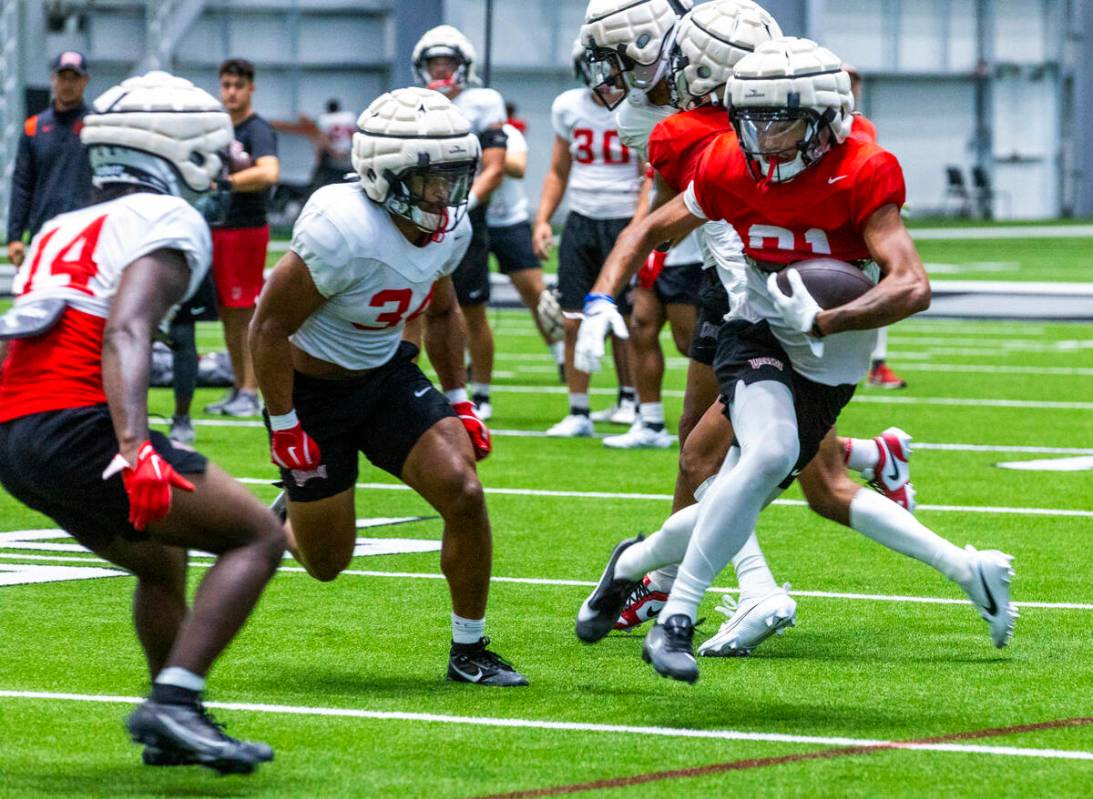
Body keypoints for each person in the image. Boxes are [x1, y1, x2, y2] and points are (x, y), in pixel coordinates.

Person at [575, 39, 1016, 683]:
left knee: (742, 486)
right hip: (752, 327)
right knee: (769, 455)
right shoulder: (728, 160)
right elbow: (649, 228)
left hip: (831, 347)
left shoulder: (863, 167)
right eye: (751, 119)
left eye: (780, 120)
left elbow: (912, 285)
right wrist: (597, 299)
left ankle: (631, 564)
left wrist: (827, 318)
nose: (764, 137)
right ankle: (677, 618)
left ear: (824, 118)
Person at [0, 71, 284, 772]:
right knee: (257, 535)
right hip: (78, 425)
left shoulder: (63, 222)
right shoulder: (168, 218)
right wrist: (134, 444)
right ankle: (176, 702)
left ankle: (168, 721)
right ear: (177, 148)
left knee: (161, 560)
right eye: (215, 150)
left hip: (15, 436)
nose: (226, 165)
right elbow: (126, 330)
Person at [249, 87, 527, 687]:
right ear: (384, 174)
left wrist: (460, 401)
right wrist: (284, 424)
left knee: (465, 492)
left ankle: (469, 649)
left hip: (386, 375)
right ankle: (279, 523)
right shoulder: (340, 228)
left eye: (456, 175)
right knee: (327, 565)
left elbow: (444, 313)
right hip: (312, 393)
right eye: (433, 178)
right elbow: (267, 329)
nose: (446, 193)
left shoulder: (450, 227)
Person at [532, 39, 643, 437]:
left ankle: (630, 400)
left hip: (624, 220)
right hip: (581, 219)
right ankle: (578, 410)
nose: (609, 79)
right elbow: (558, 170)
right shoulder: (568, 107)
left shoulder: (638, 108)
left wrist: (641, 225)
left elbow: (650, 174)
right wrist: (543, 219)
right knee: (573, 317)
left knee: (624, 319)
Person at [412, 25, 507, 420]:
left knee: (470, 307)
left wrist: (465, 206)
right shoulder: (414, 101)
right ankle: (410, 386)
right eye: (435, 63)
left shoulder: (483, 101)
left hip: (465, 215)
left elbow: (495, 165)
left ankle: (480, 393)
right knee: (413, 305)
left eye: (448, 62)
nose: (441, 70)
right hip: (418, 213)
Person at [204, 58, 280, 418]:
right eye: (226, 85)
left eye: (237, 85)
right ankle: (238, 387)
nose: (231, 92)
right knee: (226, 313)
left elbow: (268, 172)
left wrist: (227, 183)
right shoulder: (214, 129)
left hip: (245, 228)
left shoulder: (257, 129)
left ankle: (251, 390)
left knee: (245, 311)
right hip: (217, 227)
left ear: (251, 88)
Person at [486, 119, 566, 375]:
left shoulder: (508, 135)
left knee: (536, 293)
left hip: (510, 221)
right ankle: (468, 361)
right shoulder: (454, 133)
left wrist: (486, 150)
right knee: (465, 301)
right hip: (471, 220)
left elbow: (518, 168)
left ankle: (562, 355)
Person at [844, 63, 906, 389]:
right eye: (844, 81)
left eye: (853, 82)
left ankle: (877, 364)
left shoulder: (863, 124)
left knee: (882, 286)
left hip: (857, 220)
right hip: (828, 221)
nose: (850, 87)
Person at [6, 51, 92, 267]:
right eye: (63, 77)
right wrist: (15, 236)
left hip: (87, 233)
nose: (68, 84)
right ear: (53, 79)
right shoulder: (34, 128)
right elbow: (22, 185)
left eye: (74, 78)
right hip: (44, 233)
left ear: (85, 81)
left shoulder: (97, 125)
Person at [314, 98, 357, 187]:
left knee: (332, 182)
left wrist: (323, 155)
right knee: (350, 181)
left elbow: (323, 139)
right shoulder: (349, 116)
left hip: (333, 153)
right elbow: (354, 134)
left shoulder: (325, 119)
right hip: (348, 152)